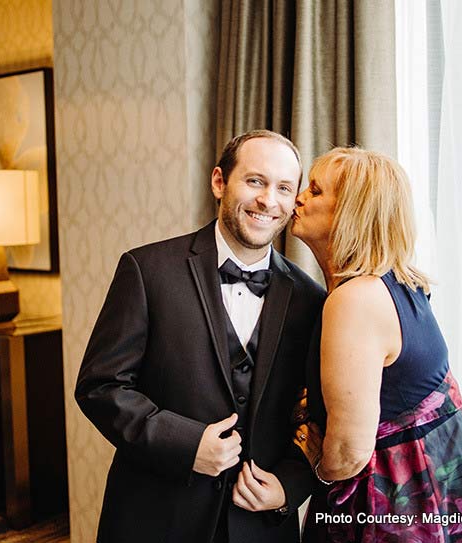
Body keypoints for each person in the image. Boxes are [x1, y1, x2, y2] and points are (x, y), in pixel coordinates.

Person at [75, 129, 327, 543]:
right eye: (255, 181)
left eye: (284, 188)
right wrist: (187, 444)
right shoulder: (146, 270)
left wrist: (289, 487)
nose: (269, 200)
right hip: (155, 518)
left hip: (262, 527)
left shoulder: (311, 299)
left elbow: (318, 417)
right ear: (218, 182)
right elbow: (100, 387)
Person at [290, 147, 462, 543]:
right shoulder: (399, 281)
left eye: (315, 191)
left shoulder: (355, 299)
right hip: (457, 479)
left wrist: (314, 468)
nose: (299, 197)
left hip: (408, 498)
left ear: (351, 213)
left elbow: (348, 453)